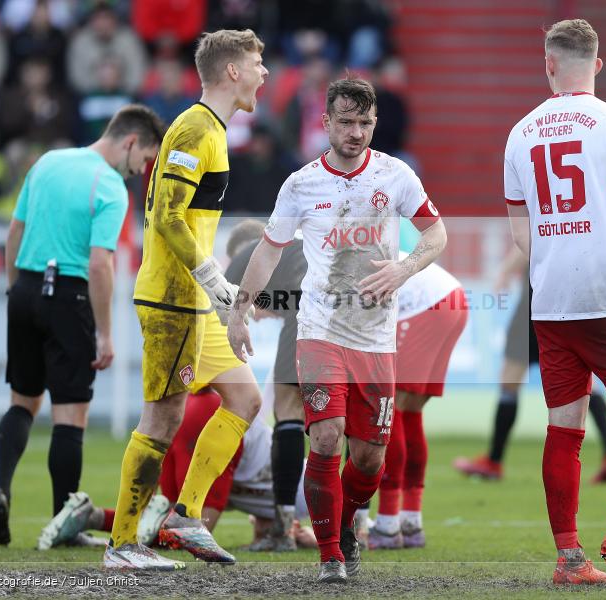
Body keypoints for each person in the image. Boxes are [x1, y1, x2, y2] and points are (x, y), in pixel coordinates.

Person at [227, 78, 448, 584]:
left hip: (375, 337)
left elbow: (436, 233)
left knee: (370, 460)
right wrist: (240, 309)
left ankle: (346, 522)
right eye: (345, 122)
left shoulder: (396, 176)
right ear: (325, 122)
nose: (355, 132)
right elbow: (268, 249)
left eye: (364, 123)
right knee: (326, 438)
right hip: (320, 330)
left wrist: (404, 267)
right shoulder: (301, 184)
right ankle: (330, 554)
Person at [503, 19, 606, 587]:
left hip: (551, 304)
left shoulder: (520, 133)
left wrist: (551, 263)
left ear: (549, 64)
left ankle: (570, 559)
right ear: (597, 65)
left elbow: (521, 236)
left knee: (563, 430)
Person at [104, 29, 269, 571]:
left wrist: (220, 297)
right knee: (161, 421)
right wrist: (215, 283)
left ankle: (186, 515)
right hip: (173, 299)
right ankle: (123, 545)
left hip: (195, 299)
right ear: (232, 72)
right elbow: (167, 217)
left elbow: (187, 224)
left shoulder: (212, 130)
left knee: (245, 399)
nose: (264, 73)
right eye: (257, 63)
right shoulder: (196, 129)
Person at [0, 104, 165, 547]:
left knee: (22, 402)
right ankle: (62, 521)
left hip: (24, 287)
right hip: (69, 295)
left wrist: (16, 291)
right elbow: (100, 265)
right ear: (130, 142)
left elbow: (13, 232)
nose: (139, 172)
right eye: (143, 161)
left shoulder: (48, 161)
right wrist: (104, 333)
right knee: (71, 415)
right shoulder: (108, 185)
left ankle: (1, 490)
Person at [37, 387, 316, 551]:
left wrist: (273, 529)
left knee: (168, 514)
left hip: (191, 405)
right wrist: (314, 538)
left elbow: (266, 518)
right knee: (187, 533)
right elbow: (337, 509)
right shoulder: (304, 490)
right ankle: (103, 528)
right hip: (220, 423)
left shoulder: (281, 491)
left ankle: (92, 517)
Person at [453, 248, 606, 483]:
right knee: (583, 381)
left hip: (536, 309)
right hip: (571, 307)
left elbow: (529, 238)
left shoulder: (544, 215)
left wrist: (505, 271)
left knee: (509, 381)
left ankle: (494, 461)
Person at [368, 252, 468, 550]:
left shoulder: (324, 251)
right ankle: (410, 520)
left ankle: (387, 524)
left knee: (392, 406)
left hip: (425, 306)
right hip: (453, 299)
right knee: (409, 411)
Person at [222, 219, 307, 552]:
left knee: (287, 412)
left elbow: (212, 319)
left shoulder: (247, 255)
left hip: (308, 309)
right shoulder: (301, 243)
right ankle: (357, 529)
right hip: (353, 310)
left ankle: (282, 529)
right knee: (347, 420)